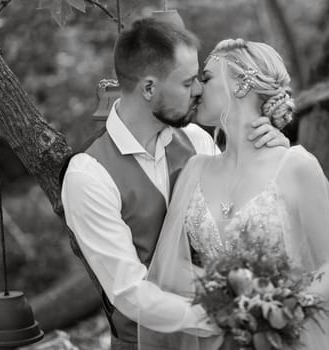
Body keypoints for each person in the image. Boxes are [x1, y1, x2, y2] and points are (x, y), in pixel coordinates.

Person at [61, 20, 289, 350]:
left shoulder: (198, 141)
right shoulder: (89, 175)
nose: (198, 89)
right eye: (187, 82)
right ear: (149, 89)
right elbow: (129, 291)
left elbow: (249, 205)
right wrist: (226, 318)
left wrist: (274, 153)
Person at [148, 39, 329, 350]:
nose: (198, 90)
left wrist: (287, 307)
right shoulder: (194, 169)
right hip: (215, 335)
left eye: (206, 78)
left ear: (242, 83)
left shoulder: (297, 166)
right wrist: (228, 301)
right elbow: (170, 265)